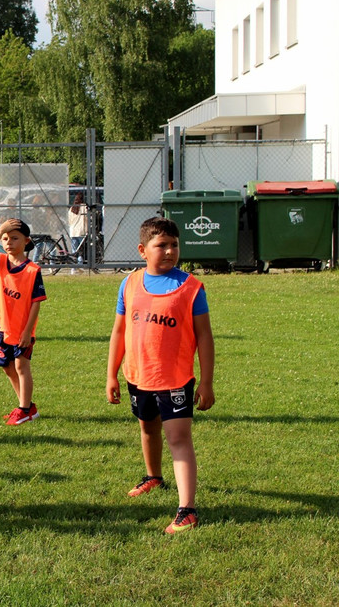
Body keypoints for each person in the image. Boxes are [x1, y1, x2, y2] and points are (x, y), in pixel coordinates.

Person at [106, 216, 215, 535]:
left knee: (178, 439)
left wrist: (206, 381)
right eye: (161, 245)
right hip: (138, 376)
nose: (169, 251)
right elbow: (119, 331)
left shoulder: (191, 288)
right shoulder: (129, 283)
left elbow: (205, 336)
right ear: (142, 250)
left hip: (175, 380)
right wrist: (111, 375)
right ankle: (153, 476)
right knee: (148, 427)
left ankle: (187, 510)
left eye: (174, 245)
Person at [0, 218, 46, 426]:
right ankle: (27, 406)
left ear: (26, 241)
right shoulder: (1, 262)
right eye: (5, 239)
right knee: (7, 367)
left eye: (15, 238)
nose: (9, 242)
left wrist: (28, 331)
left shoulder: (32, 270)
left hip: (22, 329)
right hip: (3, 326)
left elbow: (36, 303)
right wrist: (1, 229)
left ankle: (24, 410)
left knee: (21, 366)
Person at [68, 193, 89, 274]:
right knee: (81, 250)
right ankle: (80, 265)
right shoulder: (84, 207)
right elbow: (87, 218)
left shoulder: (72, 208)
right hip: (81, 231)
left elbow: (69, 220)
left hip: (73, 231)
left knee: (74, 250)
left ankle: (73, 268)